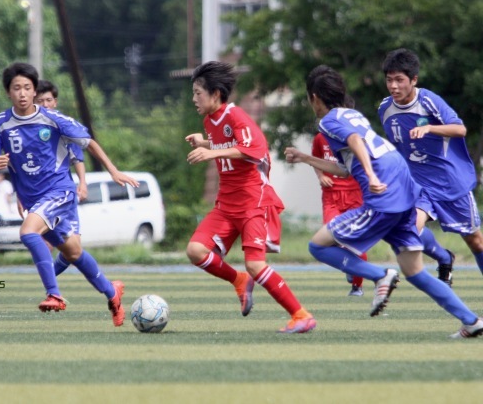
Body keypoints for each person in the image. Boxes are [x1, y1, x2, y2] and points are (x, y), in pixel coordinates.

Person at [284, 64, 483, 338]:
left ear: (314, 97)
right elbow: (344, 168)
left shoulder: (328, 121)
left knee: (317, 245)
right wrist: (306, 158)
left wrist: (369, 174)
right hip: (404, 185)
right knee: (414, 271)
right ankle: (471, 320)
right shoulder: (352, 114)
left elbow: (356, 141)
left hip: (384, 193)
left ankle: (379, 275)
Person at [0, 62, 139, 327]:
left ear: (34, 91)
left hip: (59, 191)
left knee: (28, 233)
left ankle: (54, 294)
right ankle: (112, 292)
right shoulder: (1, 123)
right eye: (16, 87)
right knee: (73, 252)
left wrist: (113, 171)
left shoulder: (53, 119)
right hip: (33, 200)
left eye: (27, 88)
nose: (22, 93)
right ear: (8, 92)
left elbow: (88, 143)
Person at [185, 61, 316, 334]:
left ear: (216, 94)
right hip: (226, 203)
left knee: (256, 264)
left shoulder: (236, 116)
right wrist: (205, 142)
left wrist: (212, 153)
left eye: (198, 92)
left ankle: (301, 315)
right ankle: (239, 280)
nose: (193, 98)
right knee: (195, 251)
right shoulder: (210, 120)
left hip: (252, 201)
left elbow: (255, 148)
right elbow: (229, 144)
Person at [378, 48, 483, 284]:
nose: (393, 86)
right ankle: (443, 257)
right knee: (409, 230)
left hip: (449, 182)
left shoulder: (427, 100)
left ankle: (446, 258)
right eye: (389, 80)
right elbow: (397, 148)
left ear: (413, 80)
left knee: (475, 240)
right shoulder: (385, 109)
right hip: (418, 184)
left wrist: (429, 128)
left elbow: (460, 129)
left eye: (399, 80)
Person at [311, 131, 368, 296]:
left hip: (355, 196)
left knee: (356, 244)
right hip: (331, 196)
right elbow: (315, 159)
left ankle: (357, 287)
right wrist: (320, 175)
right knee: (329, 238)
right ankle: (348, 264)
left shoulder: (356, 137)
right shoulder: (320, 138)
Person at [35, 80, 88, 201]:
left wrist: (83, 183)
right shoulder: (25, 127)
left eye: (49, 100)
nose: (45, 105)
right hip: (35, 189)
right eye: (40, 101)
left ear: (55, 102)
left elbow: (76, 157)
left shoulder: (64, 125)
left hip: (59, 187)